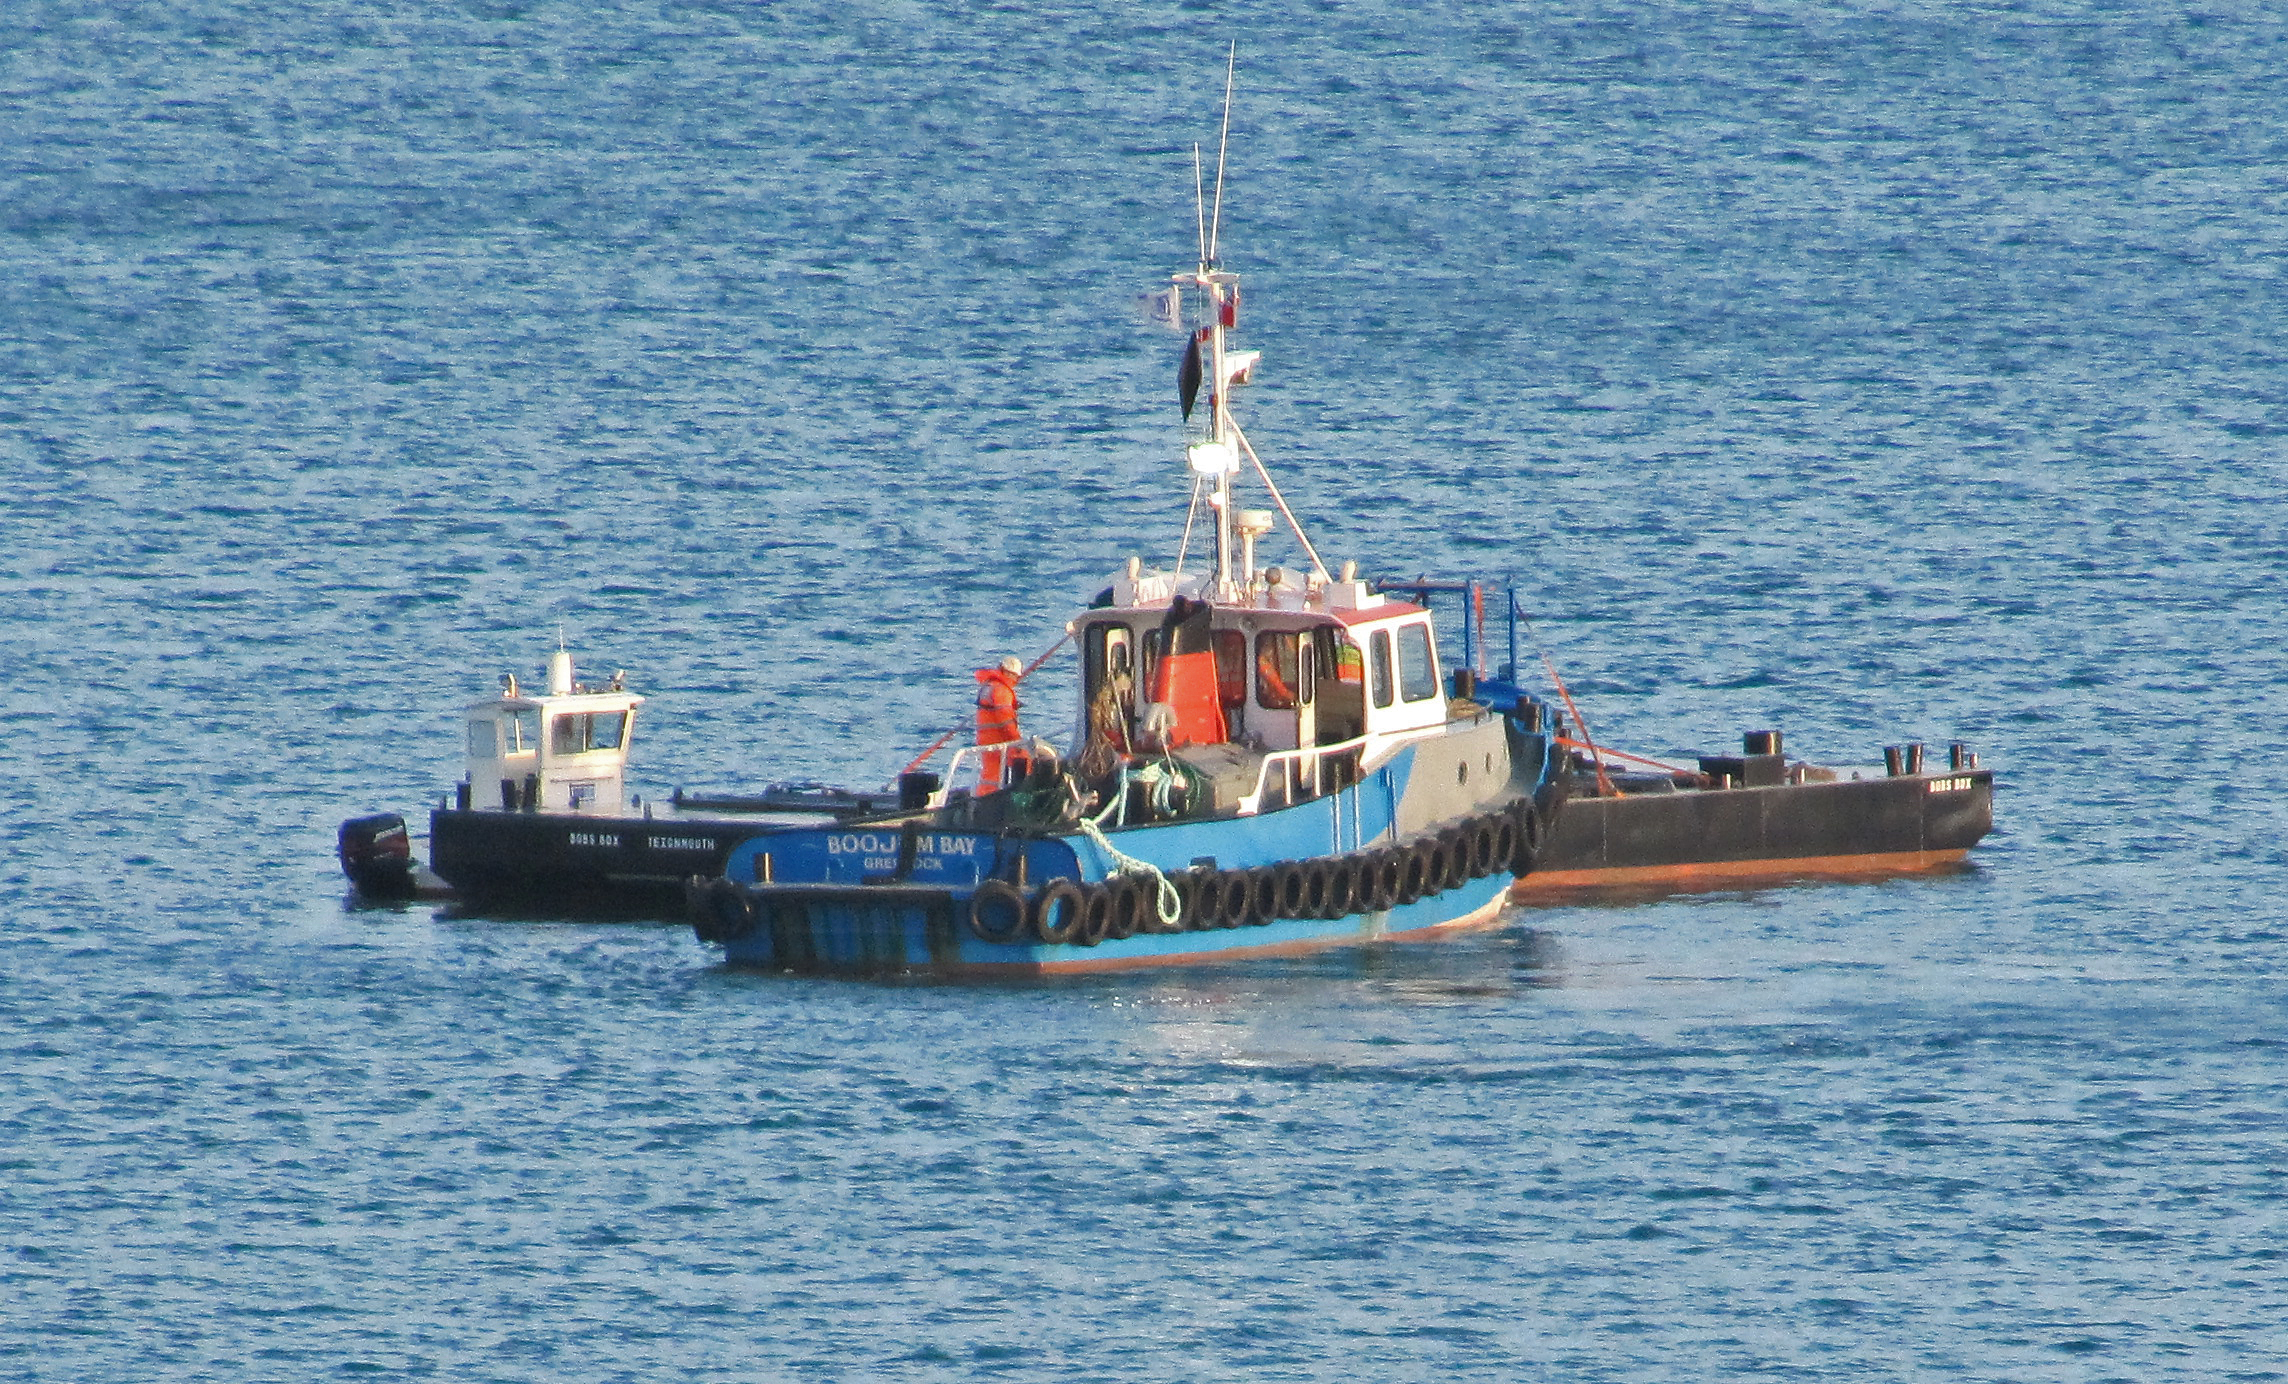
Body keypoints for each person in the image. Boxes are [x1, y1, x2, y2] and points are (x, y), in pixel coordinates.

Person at [973, 655, 1027, 791]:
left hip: (986, 739)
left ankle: (984, 796)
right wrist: (1018, 742)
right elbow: (1005, 720)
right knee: (1024, 762)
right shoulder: (1002, 691)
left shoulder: (989, 686)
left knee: (990, 774)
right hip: (997, 740)